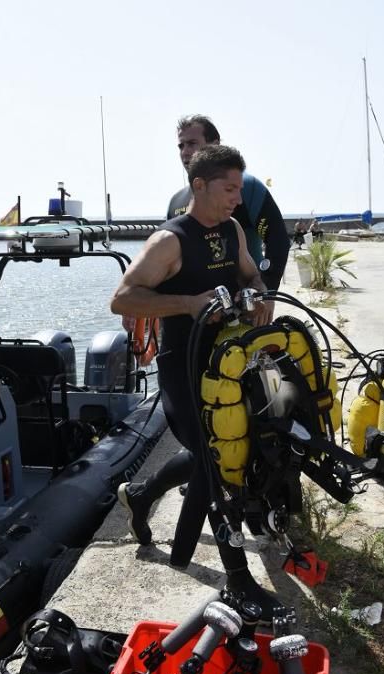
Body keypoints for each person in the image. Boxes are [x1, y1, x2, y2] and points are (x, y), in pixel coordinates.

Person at [112, 145, 281, 621]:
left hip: (227, 364)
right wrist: (188, 303)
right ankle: (239, 581)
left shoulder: (231, 231)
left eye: (238, 189)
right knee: (215, 465)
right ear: (199, 185)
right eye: (229, 189)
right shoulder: (170, 241)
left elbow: (252, 275)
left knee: (220, 450)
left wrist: (259, 298)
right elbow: (122, 299)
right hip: (182, 369)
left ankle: (141, 495)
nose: (237, 198)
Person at [167, 115, 290, 297]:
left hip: (245, 306)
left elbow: (277, 240)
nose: (185, 152)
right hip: (195, 313)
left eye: (192, 143)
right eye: (181, 145)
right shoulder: (177, 201)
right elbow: (167, 260)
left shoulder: (247, 188)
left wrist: (267, 291)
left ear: (214, 144)